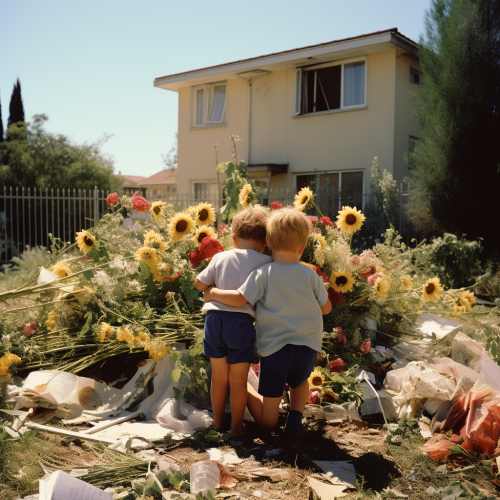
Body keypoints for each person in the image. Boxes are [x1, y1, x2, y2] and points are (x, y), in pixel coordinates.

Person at [204, 208, 332, 434]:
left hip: (275, 349)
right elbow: (326, 308)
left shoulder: (263, 273)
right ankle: (295, 416)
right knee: (300, 381)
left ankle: (242, 386)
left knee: (267, 423)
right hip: (307, 346)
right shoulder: (310, 274)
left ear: (269, 241)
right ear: (302, 247)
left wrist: (212, 293)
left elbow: (239, 298)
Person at [194, 207, 272, 437]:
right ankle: (237, 427)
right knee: (238, 381)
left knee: (218, 377)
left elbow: (199, 283)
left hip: (214, 320)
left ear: (234, 239)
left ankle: (218, 424)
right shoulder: (266, 262)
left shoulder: (220, 257)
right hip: (241, 322)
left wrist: (213, 290)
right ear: (265, 241)